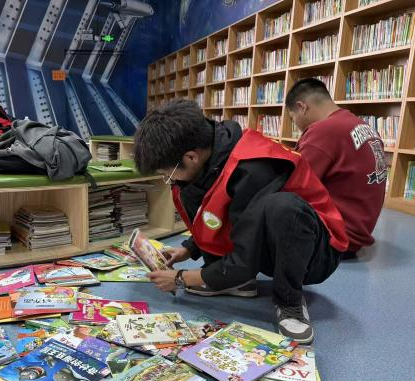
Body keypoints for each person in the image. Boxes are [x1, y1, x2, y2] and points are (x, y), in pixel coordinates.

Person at [133, 99, 349, 343]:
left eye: (168, 173)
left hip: (315, 252)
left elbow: (246, 253)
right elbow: (218, 209)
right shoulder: (211, 150)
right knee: (190, 189)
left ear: (191, 156)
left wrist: (181, 278)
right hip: (265, 238)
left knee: (283, 208)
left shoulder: (255, 167)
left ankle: (289, 302)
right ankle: (233, 282)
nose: (170, 179)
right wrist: (189, 249)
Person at [285, 78, 387, 257]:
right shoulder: (364, 126)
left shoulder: (322, 131)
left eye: (293, 118)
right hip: (358, 233)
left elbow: (292, 186)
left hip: (333, 238)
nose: (297, 125)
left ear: (302, 107)